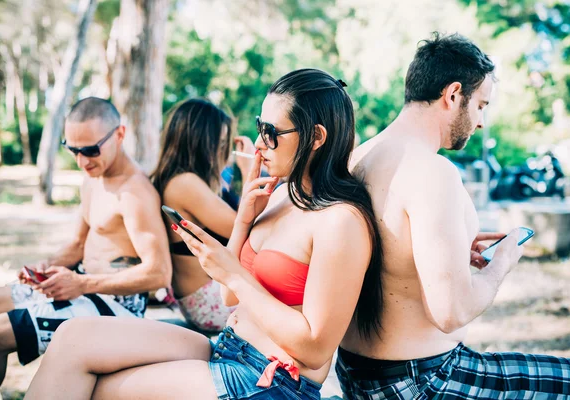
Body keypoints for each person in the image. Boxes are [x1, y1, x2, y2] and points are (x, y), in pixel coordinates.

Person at [24, 68, 384, 400]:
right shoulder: (279, 197)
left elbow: (316, 348)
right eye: (261, 127)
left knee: (99, 389)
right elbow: (228, 297)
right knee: (73, 338)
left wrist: (233, 273)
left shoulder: (342, 221)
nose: (259, 144)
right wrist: (244, 219)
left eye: (271, 133)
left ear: (316, 137)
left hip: (270, 381)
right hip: (229, 346)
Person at [338, 32, 570, 399]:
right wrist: (503, 260)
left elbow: (390, 253)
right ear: (454, 95)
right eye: (481, 105)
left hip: (358, 374)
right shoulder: (431, 172)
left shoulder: (359, 157)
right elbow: (450, 312)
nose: (481, 121)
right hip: (421, 381)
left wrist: (453, 249)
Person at [0, 97, 171, 399]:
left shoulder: (135, 192)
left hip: (117, 307)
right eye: (73, 150)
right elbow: (79, 244)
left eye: (91, 150)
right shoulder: (93, 178)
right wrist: (45, 266)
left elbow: (159, 273)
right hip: (83, 286)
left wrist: (81, 284)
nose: (83, 161)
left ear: (119, 135)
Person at [150, 98, 255, 331]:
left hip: (203, 301)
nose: (224, 155)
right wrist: (249, 170)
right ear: (201, 145)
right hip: (211, 303)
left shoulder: (176, 179)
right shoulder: (184, 183)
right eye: (221, 145)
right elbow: (247, 230)